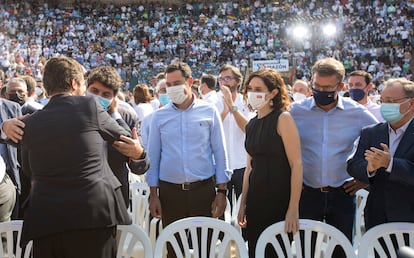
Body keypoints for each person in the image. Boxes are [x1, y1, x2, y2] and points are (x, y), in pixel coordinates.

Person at [17, 56, 136, 258]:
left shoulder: (30, 123)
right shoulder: (90, 107)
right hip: (93, 217)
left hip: (47, 220)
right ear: (74, 83)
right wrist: (140, 154)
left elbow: (28, 169)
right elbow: (124, 139)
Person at [290, 58, 378, 256]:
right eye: (317, 86)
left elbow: (382, 141)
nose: (321, 91)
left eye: (327, 87)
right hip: (307, 193)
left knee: (342, 250)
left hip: (342, 194)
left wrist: (365, 180)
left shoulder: (357, 113)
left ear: (340, 86)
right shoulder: (297, 111)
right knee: (306, 251)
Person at [146, 62, 231, 258]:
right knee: (175, 250)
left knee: (206, 248)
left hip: (203, 191)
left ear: (190, 82)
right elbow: (154, 157)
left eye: (177, 83)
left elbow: (220, 152)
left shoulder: (209, 112)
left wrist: (221, 191)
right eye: (168, 84)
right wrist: (153, 194)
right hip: (170, 193)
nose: (172, 88)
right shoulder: (159, 117)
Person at [237, 68, 302, 258]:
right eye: (249, 88)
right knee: (255, 252)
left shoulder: (283, 118)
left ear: (273, 92)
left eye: (258, 88)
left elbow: (296, 164)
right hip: (256, 202)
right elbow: (250, 168)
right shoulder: (251, 124)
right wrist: (243, 204)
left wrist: (293, 208)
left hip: (279, 201)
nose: (252, 92)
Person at [347, 78, 414, 230]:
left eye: (391, 101)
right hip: (377, 219)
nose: (385, 106)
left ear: (411, 104)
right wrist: (369, 168)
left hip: (409, 219)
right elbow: (354, 164)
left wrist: (390, 164)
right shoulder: (371, 132)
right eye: (383, 100)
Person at [86, 65, 149, 206]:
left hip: (114, 200)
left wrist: (138, 155)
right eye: (94, 91)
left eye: (105, 94)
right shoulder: (75, 115)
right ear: (86, 89)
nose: (98, 97)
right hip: (83, 198)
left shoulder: (126, 117)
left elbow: (141, 167)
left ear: (114, 97)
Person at [216, 64, 254, 204]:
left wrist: (232, 107)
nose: (224, 82)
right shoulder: (212, 101)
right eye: (221, 79)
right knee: (218, 213)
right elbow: (212, 129)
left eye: (227, 78)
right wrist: (225, 110)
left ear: (238, 81)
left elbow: (248, 129)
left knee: (244, 209)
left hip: (242, 164)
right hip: (220, 165)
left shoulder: (247, 101)